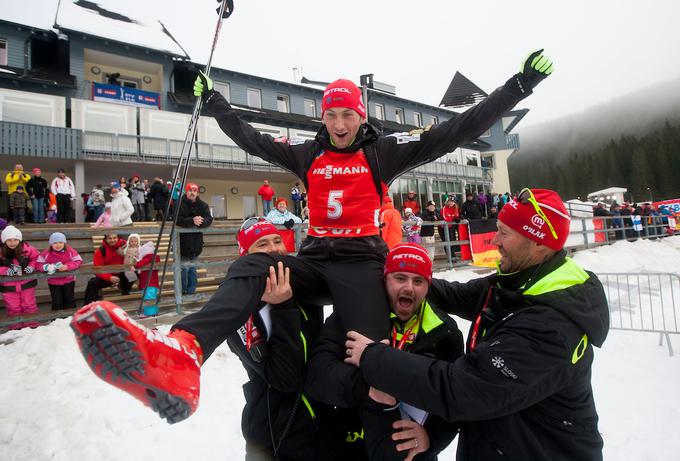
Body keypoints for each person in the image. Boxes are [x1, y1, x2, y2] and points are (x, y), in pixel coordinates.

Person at [70, 49, 553, 422]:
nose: (339, 124)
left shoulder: (383, 153)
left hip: (363, 265)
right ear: (323, 117)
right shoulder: (307, 155)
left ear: (360, 116)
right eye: (332, 116)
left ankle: (376, 433)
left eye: (347, 115)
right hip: (317, 260)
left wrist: (518, 86)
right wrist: (214, 100)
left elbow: (457, 129)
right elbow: (251, 137)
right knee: (255, 264)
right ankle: (183, 351)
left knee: (371, 356)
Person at [344, 188, 610, 461]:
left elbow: (461, 388)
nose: (495, 240)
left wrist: (373, 356)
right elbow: (457, 295)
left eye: (505, 233)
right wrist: (407, 276)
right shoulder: (520, 281)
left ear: (539, 243)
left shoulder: (550, 326)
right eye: (497, 229)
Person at [305, 243, 463, 461]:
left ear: (428, 286)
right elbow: (316, 375)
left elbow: (455, 397)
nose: (409, 288)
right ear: (385, 279)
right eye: (400, 278)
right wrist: (364, 388)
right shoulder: (352, 314)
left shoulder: (444, 332)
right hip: (348, 446)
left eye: (418, 281)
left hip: (409, 454)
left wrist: (432, 437)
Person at [176, 182, 213, 295]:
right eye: (190, 191)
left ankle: (191, 291)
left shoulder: (203, 205)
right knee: (183, 269)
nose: (192, 193)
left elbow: (209, 218)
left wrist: (200, 222)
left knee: (192, 269)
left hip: (196, 243)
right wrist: (192, 220)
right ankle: (182, 291)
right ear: (186, 192)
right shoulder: (179, 204)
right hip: (181, 242)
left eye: (194, 191)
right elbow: (177, 219)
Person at [0, 225, 39, 329]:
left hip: (27, 283)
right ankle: (16, 328)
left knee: (29, 305)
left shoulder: (28, 249)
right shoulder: (1, 252)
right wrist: (6, 271)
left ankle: (31, 326)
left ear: (20, 240)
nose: (12, 243)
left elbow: (36, 259)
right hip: (8, 286)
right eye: (9, 240)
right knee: (13, 308)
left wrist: (31, 267)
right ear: (4, 241)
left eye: (15, 240)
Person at [37, 232, 83, 311]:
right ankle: (56, 320)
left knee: (69, 299)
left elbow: (78, 261)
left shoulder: (70, 251)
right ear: (51, 244)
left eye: (60, 242)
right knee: (57, 301)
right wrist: (46, 267)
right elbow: (38, 264)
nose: (58, 245)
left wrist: (67, 266)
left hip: (69, 280)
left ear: (64, 243)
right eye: (55, 243)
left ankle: (70, 317)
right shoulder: (46, 253)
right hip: (53, 282)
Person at [83, 233, 132, 304]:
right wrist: (109, 277)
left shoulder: (125, 246)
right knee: (92, 282)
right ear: (105, 239)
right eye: (109, 238)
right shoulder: (101, 250)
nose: (112, 240)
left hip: (122, 273)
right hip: (108, 275)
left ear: (118, 238)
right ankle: (89, 305)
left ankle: (125, 290)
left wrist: (125, 254)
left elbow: (136, 257)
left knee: (133, 273)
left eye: (114, 238)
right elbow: (97, 269)